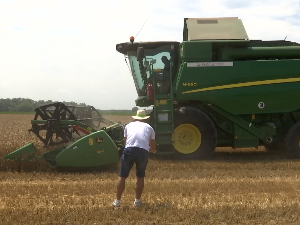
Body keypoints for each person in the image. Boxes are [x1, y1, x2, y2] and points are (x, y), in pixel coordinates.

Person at [112, 109, 156, 207]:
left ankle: (117, 202)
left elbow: (125, 141)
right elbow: (153, 148)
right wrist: (145, 149)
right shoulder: (150, 128)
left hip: (129, 150)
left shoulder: (128, 126)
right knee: (140, 177)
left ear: (135, 118)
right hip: (142, 152)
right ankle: (137, 202)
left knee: (122, 176)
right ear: (145, 119)